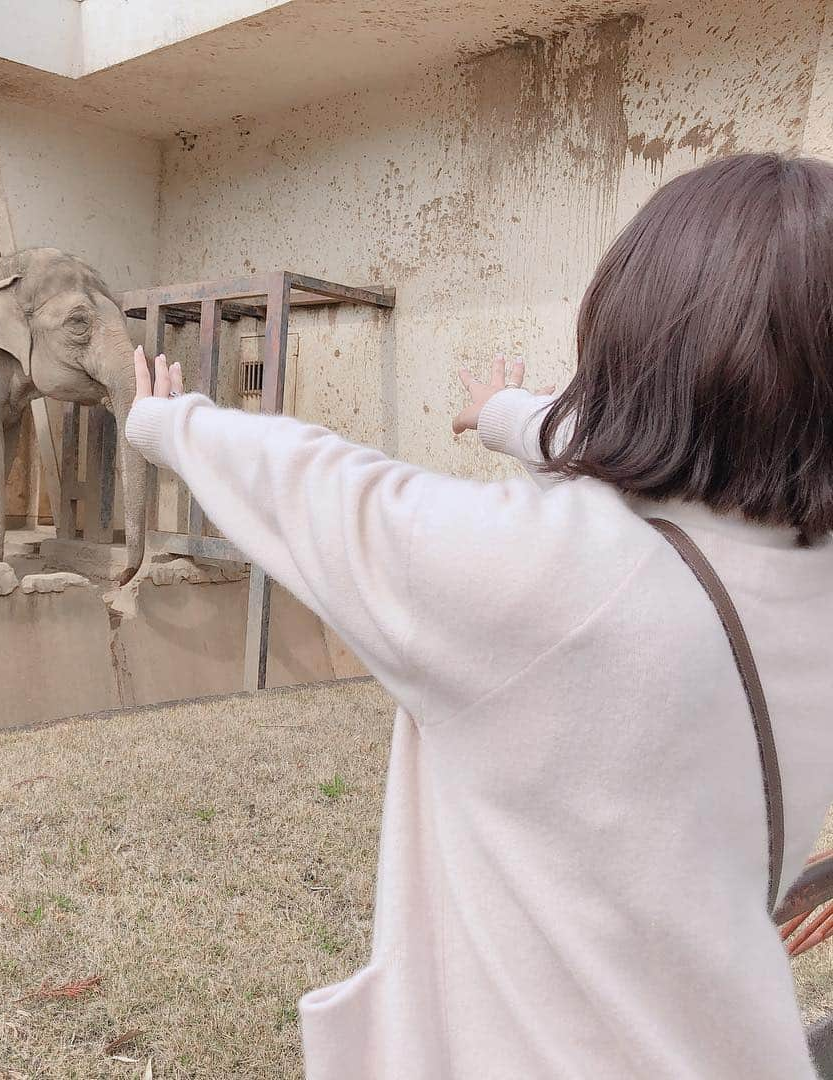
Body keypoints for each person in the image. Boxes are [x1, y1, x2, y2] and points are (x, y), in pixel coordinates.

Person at [124, 152, 833, 1079]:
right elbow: (680, 455)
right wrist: (511, 416)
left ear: (637, 334)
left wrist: (171, 426)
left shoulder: (544, 582)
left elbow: (326, 490)